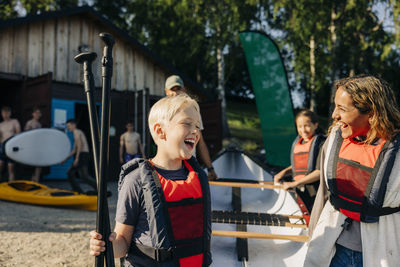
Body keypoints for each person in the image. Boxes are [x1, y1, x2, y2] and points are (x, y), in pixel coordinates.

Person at [89, 94, 212, 267]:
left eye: (197, 126)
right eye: (187, 123)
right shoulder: (136, 180)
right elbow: (122, 242)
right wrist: (106, 246)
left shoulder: (198, 177)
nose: (195, 131)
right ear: (160, 131)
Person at [304, 75, 400, 267]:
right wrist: (312, 235)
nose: (334, 115)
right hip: (334, 248)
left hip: (382, 252)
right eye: (335, 106)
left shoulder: (396, 151)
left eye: (342, 109)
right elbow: (323, 194)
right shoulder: (333, 140)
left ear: (372, 113)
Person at [164, 75, 218, 180]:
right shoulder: (162, 113)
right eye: (172, 89)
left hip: (190, 167)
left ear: (184, 90)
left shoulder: (193, 112)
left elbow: (200, 143)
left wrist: (210, 169)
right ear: (166, 92)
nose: (175, 93)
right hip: (169, 167)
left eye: (178, 89)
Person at [273, 109, 325, 211]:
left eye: (307, 125)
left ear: (316, 125)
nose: (303, 130)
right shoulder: (299, 142)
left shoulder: (321, 143)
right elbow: (300, 165)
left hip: (315, 192)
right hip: (300, 190)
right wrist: (283, 172)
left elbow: (319, 172)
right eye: (300, 126)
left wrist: (294, 184)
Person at [62, 119, 97, 194]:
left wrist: (77, 158)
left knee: (71, 173)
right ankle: (98, 189)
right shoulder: (76, 133)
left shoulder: (76, 132)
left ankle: (98, 189)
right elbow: (74, 150)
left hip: (83, 154)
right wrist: (65, 160)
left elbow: (80, 146)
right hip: (83, 154)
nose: (68, 128)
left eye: (69, 126)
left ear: (74, 125)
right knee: (83, 176)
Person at [0, 106, 21, 181]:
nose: (5, 114)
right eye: (4, 113)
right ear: (2, 114)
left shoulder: (14, 121)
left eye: (7, 112)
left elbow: (18, 133)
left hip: (11, 146)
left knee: (10, 168)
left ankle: (11, 186)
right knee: (0, 166)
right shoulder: (1, 124)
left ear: (10, 113)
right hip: (2, 146)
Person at [24, 106, 42, 182]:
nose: (38, 114)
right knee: (31, 165)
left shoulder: (39, 124)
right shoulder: (29, 123)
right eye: (36, 113)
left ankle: (36, 181)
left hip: (37, 146)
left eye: (39, 113)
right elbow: (25, 134)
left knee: (39, 165)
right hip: (30, 146)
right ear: (33, 114)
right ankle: (31, 181)